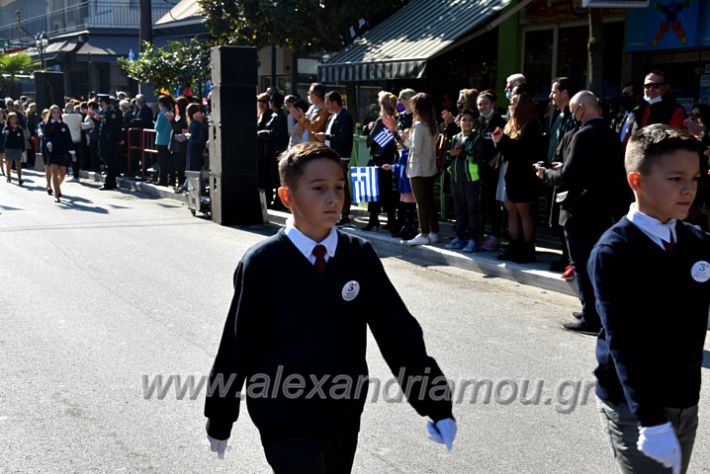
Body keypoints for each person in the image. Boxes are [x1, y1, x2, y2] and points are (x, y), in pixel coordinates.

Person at [204, 142, 456, 472]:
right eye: (319, 188)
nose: (333, 198)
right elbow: (238, 344)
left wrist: (436, 406)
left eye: (339, 187)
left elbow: (399, 336)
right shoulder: (263, 263)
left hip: (342, 413)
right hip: (283, 417)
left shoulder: (358, 256)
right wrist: (220, 416)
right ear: (286, 196)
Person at [591, 124, 709, 474]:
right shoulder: (614, 251)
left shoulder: (696, 241)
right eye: (675, 179)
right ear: (636, 181)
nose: (689, 189)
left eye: (695, 178)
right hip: (636, 406)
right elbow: (623, 343)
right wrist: (650, 421)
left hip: (685, 399)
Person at [537, 91, 630, 334]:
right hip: (603, 207)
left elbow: (568, 176)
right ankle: (594, 310)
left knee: (582, 263)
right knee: (594, 262)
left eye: (573, 111)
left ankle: (591, 317)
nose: (573, 116)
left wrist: (546, 174)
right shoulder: (610, 133)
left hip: (580, 208)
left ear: (580, 110)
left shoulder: (584, 134)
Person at [492, 92, 542, 263]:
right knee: (511, 211)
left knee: (524, 212)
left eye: (513, 102)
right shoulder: (511, 124)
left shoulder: (531, 125)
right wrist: (499, 140)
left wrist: (503, 141)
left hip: (524, 175)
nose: (509, 105)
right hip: (510, 173)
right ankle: (513, 246)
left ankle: (528, 249)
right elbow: (507, 149)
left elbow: (523, 151)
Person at [444, 108, 484, 252]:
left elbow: (479, 158)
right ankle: (459, 237)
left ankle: (473, 239)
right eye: (463, 120)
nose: (466, 122)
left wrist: (462, 152)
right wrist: (451, 153)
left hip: (471, 179)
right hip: (455, 178)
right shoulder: (455, 138)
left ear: (473, 123)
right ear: (459, 122)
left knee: (472, 209)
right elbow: (446, 156)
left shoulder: (478, 138)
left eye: (469, 120)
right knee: (459, 210)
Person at [315, 91, 354, 226]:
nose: (326, 106)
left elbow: (344, 138)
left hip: (341, 156)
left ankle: (345, 215)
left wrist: (325, 137)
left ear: (335, 103)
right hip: (332, 154)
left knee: (341, 185)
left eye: (328, 103)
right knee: (332, 185)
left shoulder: (346, 117)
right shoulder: (333, 117)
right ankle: (338, 213)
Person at [475, 90, 506, 252]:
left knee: (492, 202)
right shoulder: (478, 121)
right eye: (479, 104)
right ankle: (478, 234)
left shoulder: (499, 120)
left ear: (493, 104)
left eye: (485, 103)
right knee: (480, 202)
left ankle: (495, 235)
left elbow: (504, 142)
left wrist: (497, 157)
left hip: (494, 168)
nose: (482, 107)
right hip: (478, 167)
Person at [363, 91, 398, 231]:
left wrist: (368, 128)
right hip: (390, 158)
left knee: (374, 190)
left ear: (381, 104)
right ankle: (391, 219)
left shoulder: (380, 121)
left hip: (378, 159)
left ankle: (373, 219)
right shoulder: (395, 118)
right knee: (387, 190)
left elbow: (369, 141)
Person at [44, 105, 75, 202]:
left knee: (63, 173)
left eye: (58, 112)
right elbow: (46, 136)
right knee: (55, 172)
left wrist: (72, 153)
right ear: (51, 114)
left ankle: (55, 186)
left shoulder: (64, 126)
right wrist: (48, 143)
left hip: (63, 151)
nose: (56, 114)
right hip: (52, 151)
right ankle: (57, 194)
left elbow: (69, 140)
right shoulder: (48, 124)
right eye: (54, 112)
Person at [97, 95, 122, 190]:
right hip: (105, 141)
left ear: (104, 102)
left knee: (110, 163)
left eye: (100, 101)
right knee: (108, 162)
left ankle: (109, 183)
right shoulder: (105, 112)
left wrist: (119, 139)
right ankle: (111, 181)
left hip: (109, 141)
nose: (100, 103)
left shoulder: (110, 113)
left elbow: (115, 127)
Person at [2, 112, 26, 185]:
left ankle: (19, 178)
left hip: (17, 148)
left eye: (15, 118)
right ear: (9, 120)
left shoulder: (19, 128)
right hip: (8, 147)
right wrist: (5, 133)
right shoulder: (6, 127)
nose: (14, 120)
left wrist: (23, 148)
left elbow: (22, 139)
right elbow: (3, 133)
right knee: (9, 163)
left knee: (18, 163)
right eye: (12, 119)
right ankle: (8, 176)